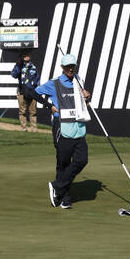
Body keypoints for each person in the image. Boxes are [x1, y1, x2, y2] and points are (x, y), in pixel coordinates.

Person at [35, 54, 92, 210]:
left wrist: (87, 97)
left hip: (78, 126)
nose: (70, 69)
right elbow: (33, 92)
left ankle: (57, 186)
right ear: (62, 67)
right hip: (62, 127)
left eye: (73, 66)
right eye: (67, 67)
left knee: (82, 160)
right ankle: (65, 198)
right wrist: (49, 106)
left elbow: (83, 103)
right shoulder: (54, 84)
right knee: (63, 164)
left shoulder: (79, 80)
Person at [10, 50, 40, 131]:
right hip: (22, 91)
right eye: (25, 55)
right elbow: (14, 75)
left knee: (33, 111)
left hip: (32, 92)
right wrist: (18, 64)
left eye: (28, 54)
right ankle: (24, 128)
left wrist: (38, 90)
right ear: (22, 56)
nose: (27, 56)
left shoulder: (33, 67)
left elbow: (37, 79)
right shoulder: (19, 66)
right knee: (22, 111)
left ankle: (34, 128)